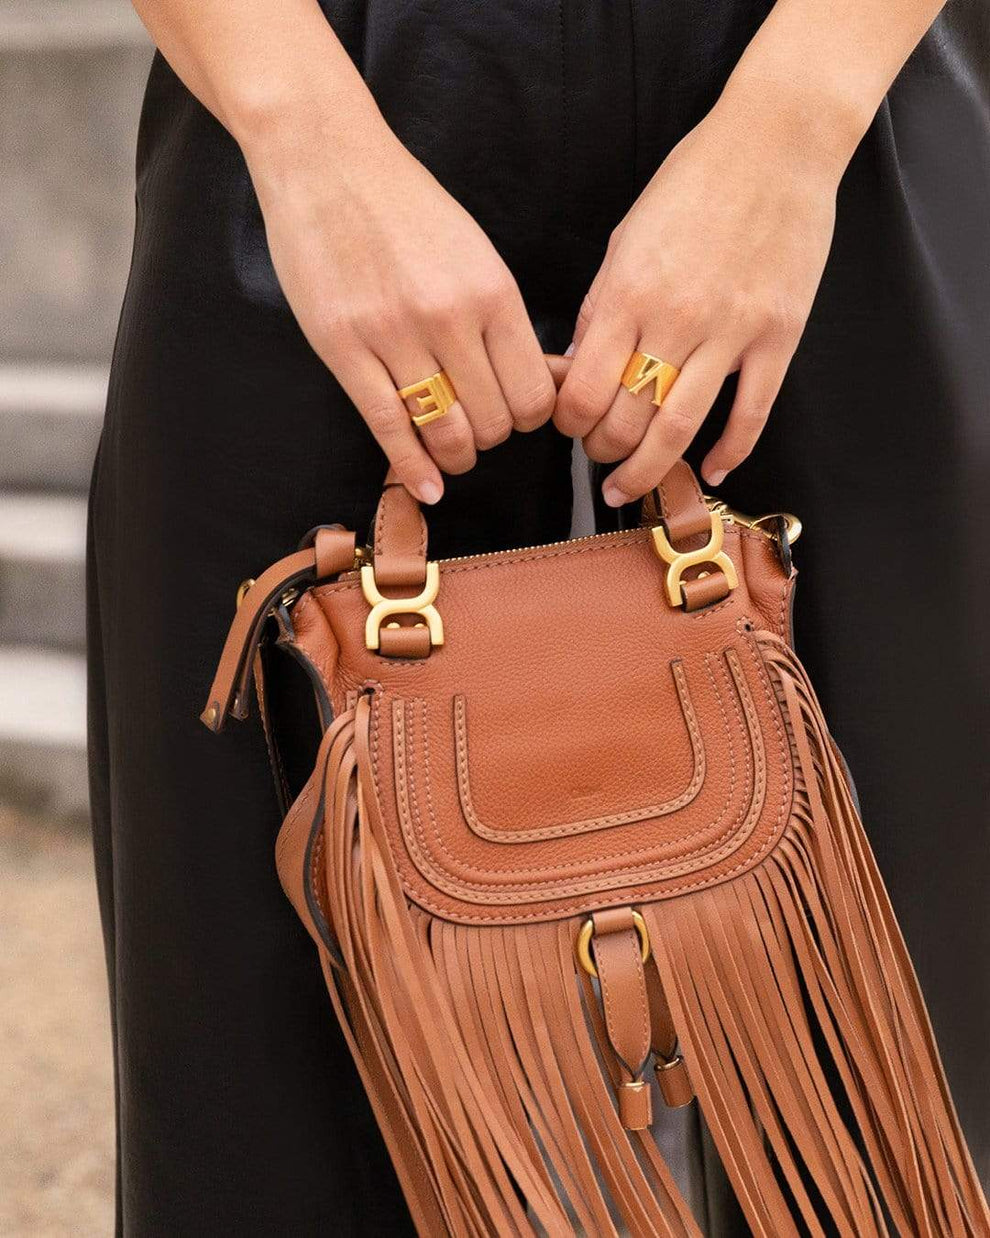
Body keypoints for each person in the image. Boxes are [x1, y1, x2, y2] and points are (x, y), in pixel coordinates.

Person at [87, 0, 990, 1232]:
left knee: (903, 1082)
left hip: (837, 82)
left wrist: (795, 121)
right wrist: (302, 135)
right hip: (315, 73)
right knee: (271, 1088)